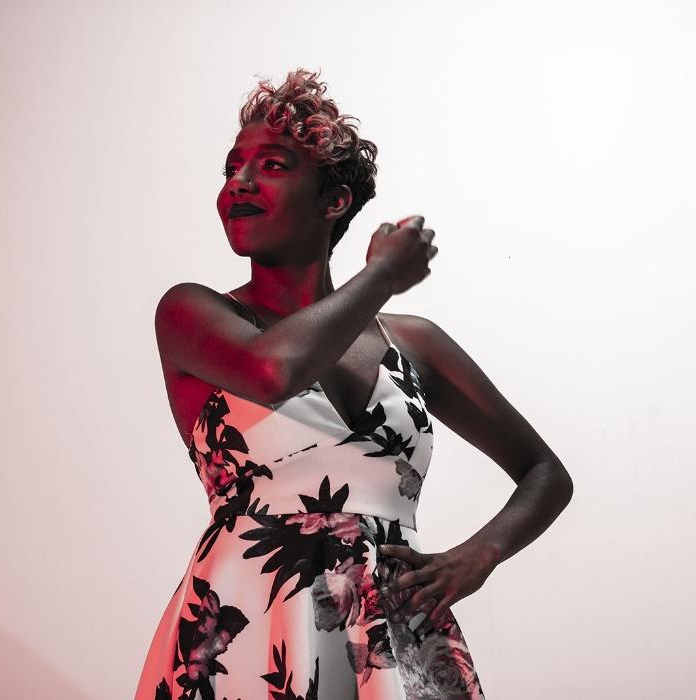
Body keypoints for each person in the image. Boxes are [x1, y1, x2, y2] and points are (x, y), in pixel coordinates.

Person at [134, 67, 573, 700]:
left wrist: (477, 558)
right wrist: (381, 277)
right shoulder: (193, 314)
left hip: (392, 636)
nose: (241, 181)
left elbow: (546, 473)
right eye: (232, 167)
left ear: (334, 199)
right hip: (245, 629)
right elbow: (274, 370)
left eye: (274, 165)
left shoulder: (414, 343)